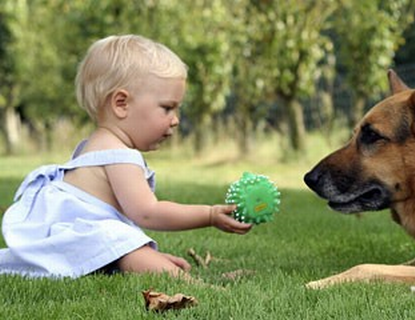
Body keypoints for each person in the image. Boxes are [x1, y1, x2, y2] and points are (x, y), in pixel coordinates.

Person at [0, 34, 252, 280]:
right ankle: (197, 286)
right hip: (82, 239)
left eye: (178, 108)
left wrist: (145, 253)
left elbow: (113, 223)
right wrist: (208, 215)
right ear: (121, 103)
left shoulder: (91, 145)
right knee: (122, 244)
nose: (175, 120)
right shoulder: (120, 155)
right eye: (167, 107)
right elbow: (148, 213)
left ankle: (142, 260)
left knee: (127, 246)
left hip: (72, 240)